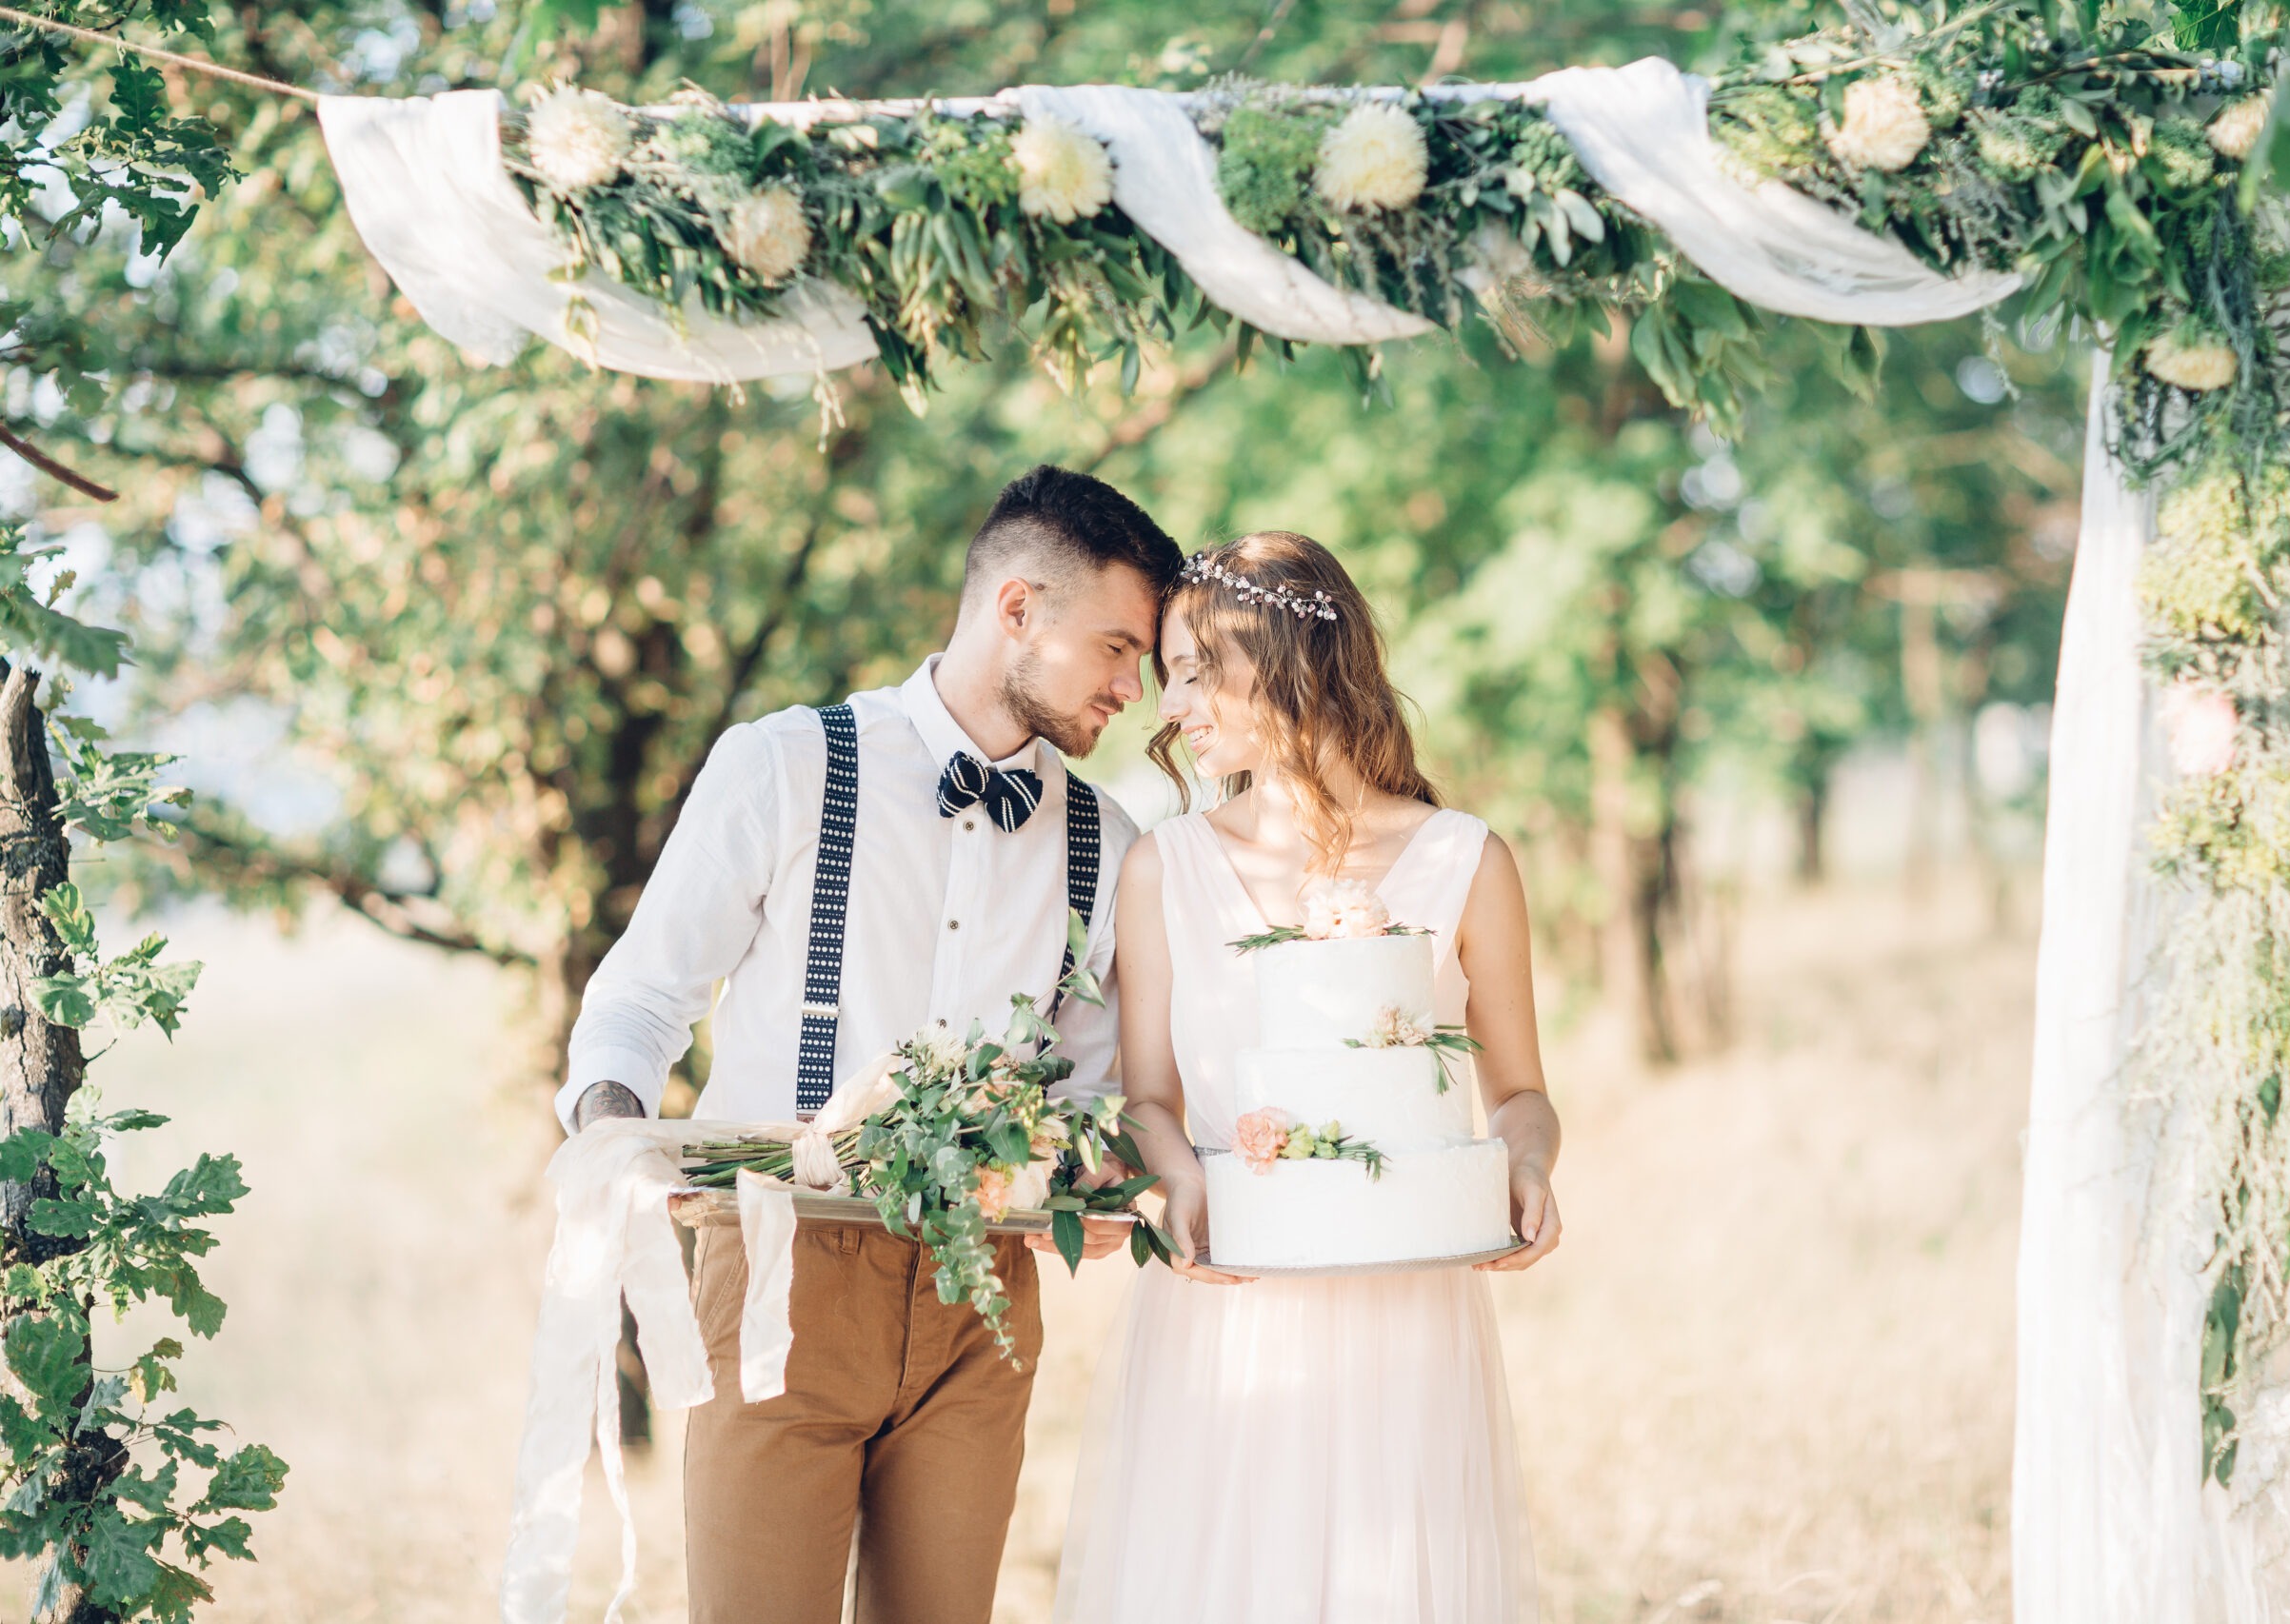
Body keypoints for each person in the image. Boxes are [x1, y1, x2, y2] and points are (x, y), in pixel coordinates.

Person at [559, 465, 1181, 1624]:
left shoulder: (1109, 836)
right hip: (780, 1275)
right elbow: (639, 1001)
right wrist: (617, 1145)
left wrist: (1100, 1177)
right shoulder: (787, 764)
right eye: (1113, 648)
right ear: (1016, 610)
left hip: (979, 1298)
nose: (1130, 689)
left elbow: (1097, 1089)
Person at [1054, 530, 1563, 1624]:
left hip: (1410, 1301)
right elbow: (1148, 1094)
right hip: (1229, 1297)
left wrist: (1526, 1162)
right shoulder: (1164, 866)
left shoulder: (1467, 858)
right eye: (1164, 675)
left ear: (1284, 654)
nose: (1171, 704)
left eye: (1195, 668)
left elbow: (1519, 1089)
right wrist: (1168, 1174)